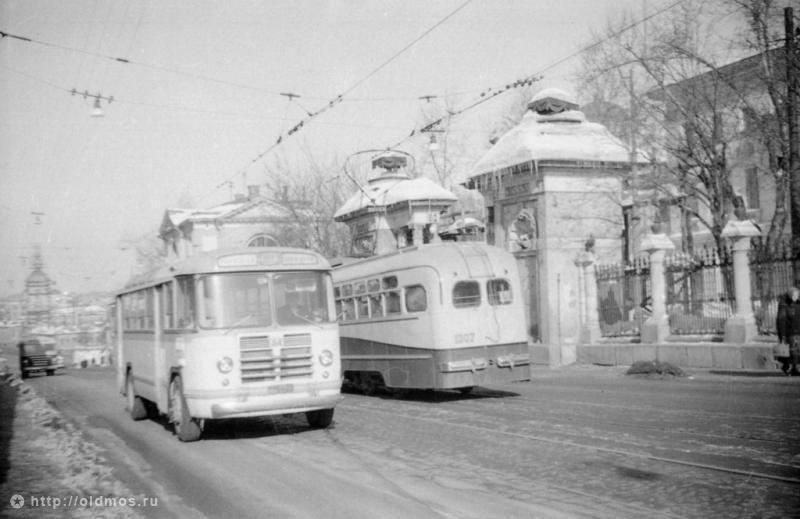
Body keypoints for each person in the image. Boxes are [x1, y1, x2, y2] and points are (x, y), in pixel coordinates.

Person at [775, 287, 800, 376]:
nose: (796, 296)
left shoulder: (797, 304)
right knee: (791, 352)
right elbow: (781, 321)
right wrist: (782, 335)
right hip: (790, 332)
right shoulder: (784, 305)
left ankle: (794, 368)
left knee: (796, 352)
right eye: (794, 295)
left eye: (797, 295)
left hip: (797, 331)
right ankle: (790, 367)